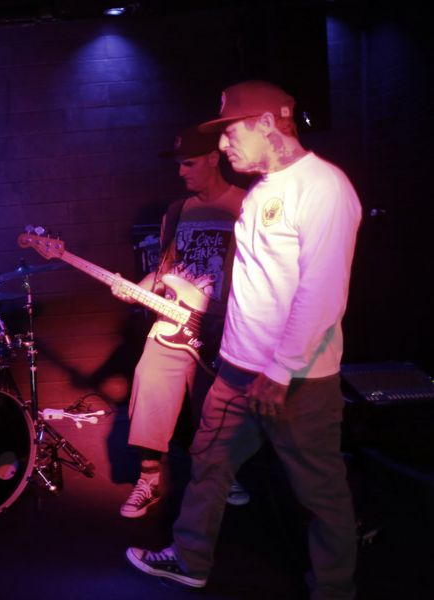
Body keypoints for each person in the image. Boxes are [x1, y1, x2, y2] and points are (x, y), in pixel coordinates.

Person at [126, 80, 361, 599]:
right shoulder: (260, 192)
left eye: (230, 132)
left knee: (320, 493)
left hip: (296, 380)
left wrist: (280, 372)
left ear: (266, 124)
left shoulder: (324, 188)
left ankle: (334, 588)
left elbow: (322, 294)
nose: (223, 144)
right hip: (236, 370)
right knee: (208, 464)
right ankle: (189, 559)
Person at [113, 126, 247, 518]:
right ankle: (149, 478)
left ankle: (222, 473)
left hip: (222, 326)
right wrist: (135, 288)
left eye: (189, 164)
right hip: (171, 321)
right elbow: (164, 269)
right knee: (149, 385)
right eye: (179, 165)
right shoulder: (176, 212)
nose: (181, 172)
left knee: (215, 407)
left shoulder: (246, 204)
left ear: (213, 159)